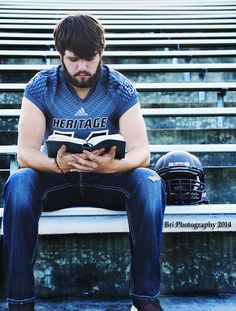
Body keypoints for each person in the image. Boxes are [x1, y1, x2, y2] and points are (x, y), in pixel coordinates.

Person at [2, 12, 166, 311]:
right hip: (58, 179)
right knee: (19, 182)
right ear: (60, 54)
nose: (82, 67)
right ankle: (20, 302)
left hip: (105, 180)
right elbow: (25, 152)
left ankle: (146, 299)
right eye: (73, 59)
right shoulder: (41, 86)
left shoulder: (120, 87)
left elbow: (142, 151)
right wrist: (58, 165)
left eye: (90, 58)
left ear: (101, 52)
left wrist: (112, 166)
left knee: (150, 182)